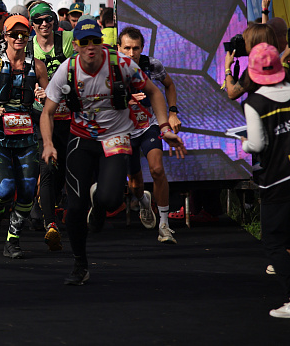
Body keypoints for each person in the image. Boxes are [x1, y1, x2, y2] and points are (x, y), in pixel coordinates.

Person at [40, 18, 185, 285]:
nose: (91, 47)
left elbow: (154, 91)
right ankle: (80, 265)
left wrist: (164, 127)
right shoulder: (67, 69)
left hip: (116, 137)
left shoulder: (121, 64)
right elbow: (47, 111)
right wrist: (48, 144)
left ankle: (99, 208)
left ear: (103, 43)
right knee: (75, 206)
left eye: (96, 41)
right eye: (85, 43)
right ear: (77, 46)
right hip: (81, 139)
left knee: (111, 199)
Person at [240, 43, 290, 318]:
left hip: (279, 180)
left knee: (274, 241)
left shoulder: (254, 102)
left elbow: (258, 143)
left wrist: (244, 145)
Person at [0, 15, 49, 259]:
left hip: (26, 136)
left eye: (23, 34)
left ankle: (12, 240)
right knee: (5, 187)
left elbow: (49, 104)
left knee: (26, 192)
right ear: (6, 36)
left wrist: (43, 96)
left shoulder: (38, 66)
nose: (19, 38)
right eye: (14, 34)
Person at [118, 26, 181, 243]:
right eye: (127, 48)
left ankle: (164, 224)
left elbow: (169, 85)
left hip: (148, 126)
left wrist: (172, 112)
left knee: (156, 169)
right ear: (119, 48)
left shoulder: (152, 65)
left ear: (142, 48)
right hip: (124, 130)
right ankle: (143, 202)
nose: (131, 53)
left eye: (136, 48)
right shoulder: (111, 68)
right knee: (135, 184)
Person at [28, 1, 74, 251]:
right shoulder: (29, 46)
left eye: (49, 19)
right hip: (41, 116)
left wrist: (60, 91)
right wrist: (32, 89)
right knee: (47, 167)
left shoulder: (67, 39)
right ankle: (50, 224)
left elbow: (79, 73)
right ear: (32, 25)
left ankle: (42, 206)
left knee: (64, 168)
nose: (44, 24)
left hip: (68, 116)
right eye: (39, 21)